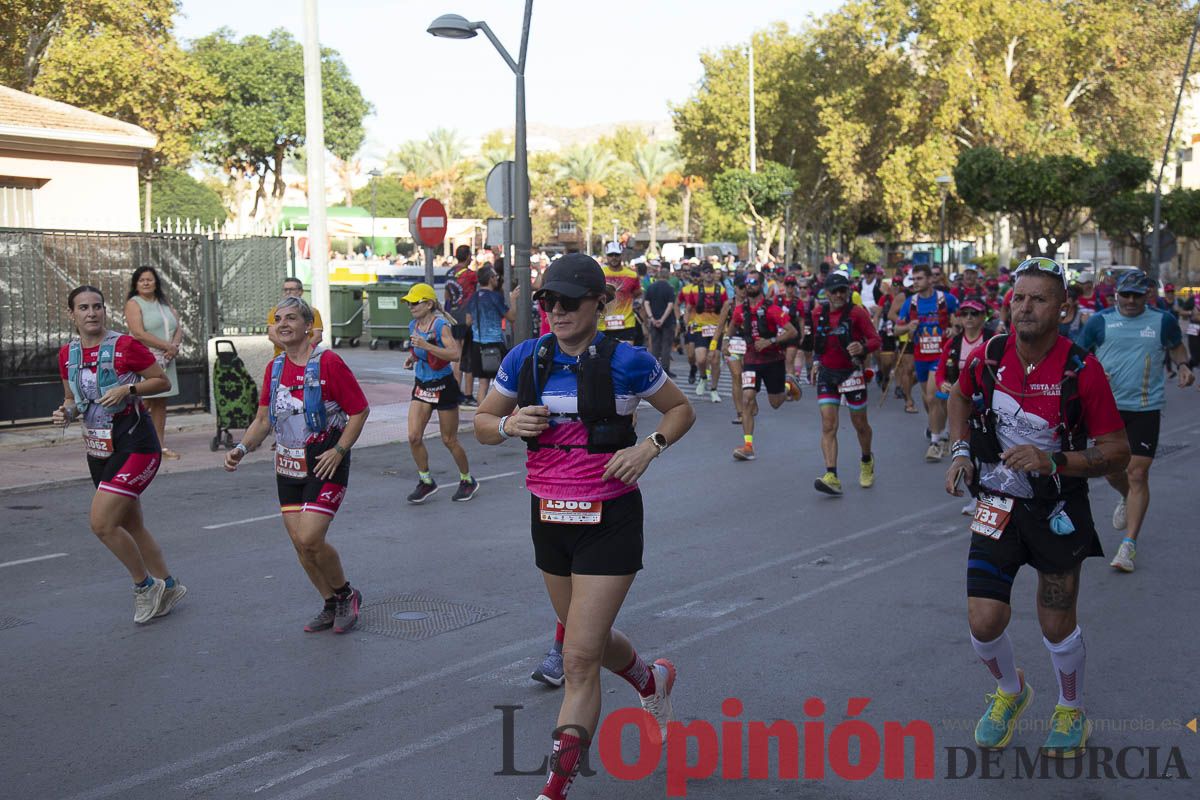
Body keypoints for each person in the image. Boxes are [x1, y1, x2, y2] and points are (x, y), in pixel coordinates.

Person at [473, 253, 695, 800]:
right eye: (549, 300)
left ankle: (554, 789)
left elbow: (680, 410)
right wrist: (508, 424)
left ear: (600, 302)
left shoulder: (630, 361)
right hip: (549, 519)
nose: (558, 310)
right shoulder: (526, 358)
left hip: (609, 521)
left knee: (576, 658)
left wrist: (649, 446)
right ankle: (650, 679)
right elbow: (482, 422)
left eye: (570, 301)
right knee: (585, 639)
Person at [945, 256, 1130, 758]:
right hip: (996, 504)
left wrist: (1052, 461)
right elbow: (958, 397)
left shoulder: (1082, 371)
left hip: (1057, 508)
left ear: (1063, 310)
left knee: (1055, 623)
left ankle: (1071, 709)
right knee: (983, 622)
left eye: (1039, 299)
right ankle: (1011, 691)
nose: (1024, 308)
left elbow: (1116, 451)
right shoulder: (990, 354)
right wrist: (960, 451)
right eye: (1019, 298)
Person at [225, 296, 369, 633]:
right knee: (300, 544)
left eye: (291, 318)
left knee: (310, 536)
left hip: (325, 463)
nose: (283, 324)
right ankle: (330, 602)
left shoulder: (329, 363)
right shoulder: (274, 368)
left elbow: (359, 410)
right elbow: (263, 419)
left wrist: (340, 450)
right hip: (288, 465)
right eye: (278, 319)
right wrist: (242, 448)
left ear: (308, 326)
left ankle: (346, 593)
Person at [55, 285, 185, 624]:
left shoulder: (125, 346)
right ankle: (169, 586)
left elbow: (161, 382)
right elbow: (72, 399)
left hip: (136, 446)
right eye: (84, 307)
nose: (92, 313)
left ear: (104, 311)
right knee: (131, 524)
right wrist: (65, 412)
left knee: (101, 524)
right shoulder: (67, 354)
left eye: (97, 306)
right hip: (99, 449)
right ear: (72, 314)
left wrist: (127, 388)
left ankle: (145, 587)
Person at [1076, 270, 1193, 572]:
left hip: (1145, 407)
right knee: (1112, 471)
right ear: (1116, 294)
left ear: (1147, 296)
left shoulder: (1162, 321)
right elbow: (1078, 356)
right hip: (1107, 409)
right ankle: (1126, 496)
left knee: (1137, 472)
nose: (1130, 301)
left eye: (1136, 296)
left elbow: (1176, 345)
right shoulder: (1099, 321)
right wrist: (1090, 372)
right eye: (1125, 295)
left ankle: (1128, 546)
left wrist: (1183, 365)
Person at [401, 283, 479, 504]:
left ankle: (467, 480)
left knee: (449, 440)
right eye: (408, 303)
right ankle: (426, 481)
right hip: (422, 385)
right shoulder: (413, 325)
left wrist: (426, 346)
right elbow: (418, 350)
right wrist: (412, 357)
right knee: (413, 436)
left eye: (415, 302)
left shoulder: (440, 326)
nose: (411, 306)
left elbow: (455, 354)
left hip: (443, 386)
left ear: (429, 304)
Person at [810, 272, 881, 495]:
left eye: (843, 290)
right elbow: (817, 341)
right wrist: (815, 362)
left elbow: (876, 339)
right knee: (828, 425)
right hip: (827, 373)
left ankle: (867, 460)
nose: (839, 295)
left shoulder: (857, 313)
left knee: (860, 423)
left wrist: (862, 347)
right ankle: (831, 475)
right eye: (835, 291)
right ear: (827, 293)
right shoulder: (818, 313)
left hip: (851, 373)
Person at [725, 271, 799, 460]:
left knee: (776, 403)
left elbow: (792, 332)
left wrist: (770, 341)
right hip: (751, 361)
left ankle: (788, 385)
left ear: (761, 285)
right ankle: (748, 447)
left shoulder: (772, 309)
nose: (749, 285)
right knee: (747, 399)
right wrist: (726, 341)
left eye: (753, 282)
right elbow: (732, 326)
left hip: (773, 361)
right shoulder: (740, 310)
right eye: (746, 282)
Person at [890, 263, 960, 459]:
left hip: (942, 356)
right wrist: (907, 327)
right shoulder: (910, 303)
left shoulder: (946, 299)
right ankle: (941, 429)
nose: (915, 282)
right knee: (929, 400)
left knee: (933, 396)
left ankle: (935, 442)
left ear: (930, 280)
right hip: (920, 356)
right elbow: (896, 330)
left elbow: (961, 320)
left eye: (919, 278)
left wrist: (954, 329)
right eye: (913, 279)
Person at [934, 298, 993, 513]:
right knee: (964, 452)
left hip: (988, 406)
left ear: (983, 317)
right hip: (961, 407)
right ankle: (976, 496)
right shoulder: (953, 343)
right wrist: (943, 383)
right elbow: (940, 371)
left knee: (988, 453)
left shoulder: (993, 341)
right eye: (964, 313)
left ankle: (993, 496)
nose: (968, 318)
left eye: (974, 313)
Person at [124, 266, 184, 460]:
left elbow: (178, 327)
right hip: (146, 359)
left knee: (160, 402)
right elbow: (138, 333)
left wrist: (174, 347)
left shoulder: (164, 302)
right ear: (136, 284)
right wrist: (167, 346)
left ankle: (159, 447)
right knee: (144, 401)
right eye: (142, 280)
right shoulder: (134, 303)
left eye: (150, 279)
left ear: (156, 282)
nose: (146, 283)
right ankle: (127, 442)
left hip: (167, 358)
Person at [465, 265, 516, 401]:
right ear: (490, 279)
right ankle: (495, 410)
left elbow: (468, 320)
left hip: (477, 344)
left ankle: (481, 411)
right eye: (495, 276)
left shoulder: (474, 297)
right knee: (500, 383)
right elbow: (512, 317)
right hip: (495, 344)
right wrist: (513, 300)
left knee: (483, 384)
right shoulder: (495, 297)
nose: (497, 279)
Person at [678, 264, 727, 402]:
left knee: (715, 360)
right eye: (706, 272)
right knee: (700, 359)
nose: (709, 274)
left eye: (711, 272)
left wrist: (726, 329)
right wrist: (686, 323)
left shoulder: (721, 290)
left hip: (716, 329)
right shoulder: (695, 290)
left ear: (714, 274)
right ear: (702, 275)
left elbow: (725, 310)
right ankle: (703, 377)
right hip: (700, 328)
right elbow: (688, 308)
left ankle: (714, 389)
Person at [598, 241, 644, 344]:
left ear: (621, 255)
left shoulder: (632, 275)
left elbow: (638, 294)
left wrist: (637, 304)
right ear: (606, 256)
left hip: (626, 324)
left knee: (626, 354)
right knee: (605, 354)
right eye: (611, 255)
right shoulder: (600, 273)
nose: (614, 257)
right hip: (603, 325)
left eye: (617, 254)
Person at [269, 277, 325, 357]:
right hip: (280, 357)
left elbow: (317, 336)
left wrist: (301, 351)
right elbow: (272, 335)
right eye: (285, 290)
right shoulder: (275, 311)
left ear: (300, 292)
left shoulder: (312, 311)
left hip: (307, 358)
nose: (288, 292)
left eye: (291, 289)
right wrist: (291, 350)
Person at [642, 263, 678, 376]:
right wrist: (662, 319)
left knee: (655, 346)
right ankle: (665, 370)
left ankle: (655, 370)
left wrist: (652, 318)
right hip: (667, 321)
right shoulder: (670, 288)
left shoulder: (651, 287)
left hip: (654, 321)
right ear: (668, 276)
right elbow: (670, 305)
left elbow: (646, 303)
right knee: (666, 346)